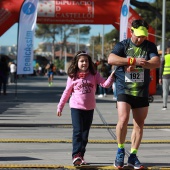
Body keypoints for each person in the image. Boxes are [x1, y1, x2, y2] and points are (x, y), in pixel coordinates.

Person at [108, 19, 160, 169]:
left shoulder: (149, 46)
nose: (140, 39)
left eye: (143, 36)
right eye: (138, 36)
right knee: (123, 119)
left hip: (141, 90)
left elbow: (156, 62)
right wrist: (130, 60)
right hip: (124, 88)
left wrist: (142, 64)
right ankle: (119, 151)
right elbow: (111, 59)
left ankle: (133, 155)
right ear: (131, 32)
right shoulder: (122, 45)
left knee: (139, 124)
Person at [57, 51, 115, 166]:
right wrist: (60, 106)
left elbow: (105, 84)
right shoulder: (73, 76)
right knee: (78, 132)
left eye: (86, 61)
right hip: (76, 107)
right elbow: (67, 92)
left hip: (89, 108)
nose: (84, 63)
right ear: (76, 62)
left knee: (85, 134)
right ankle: (76, 155)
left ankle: (81, 156)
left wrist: (112, 77)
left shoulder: (94, 74)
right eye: (82, 61)